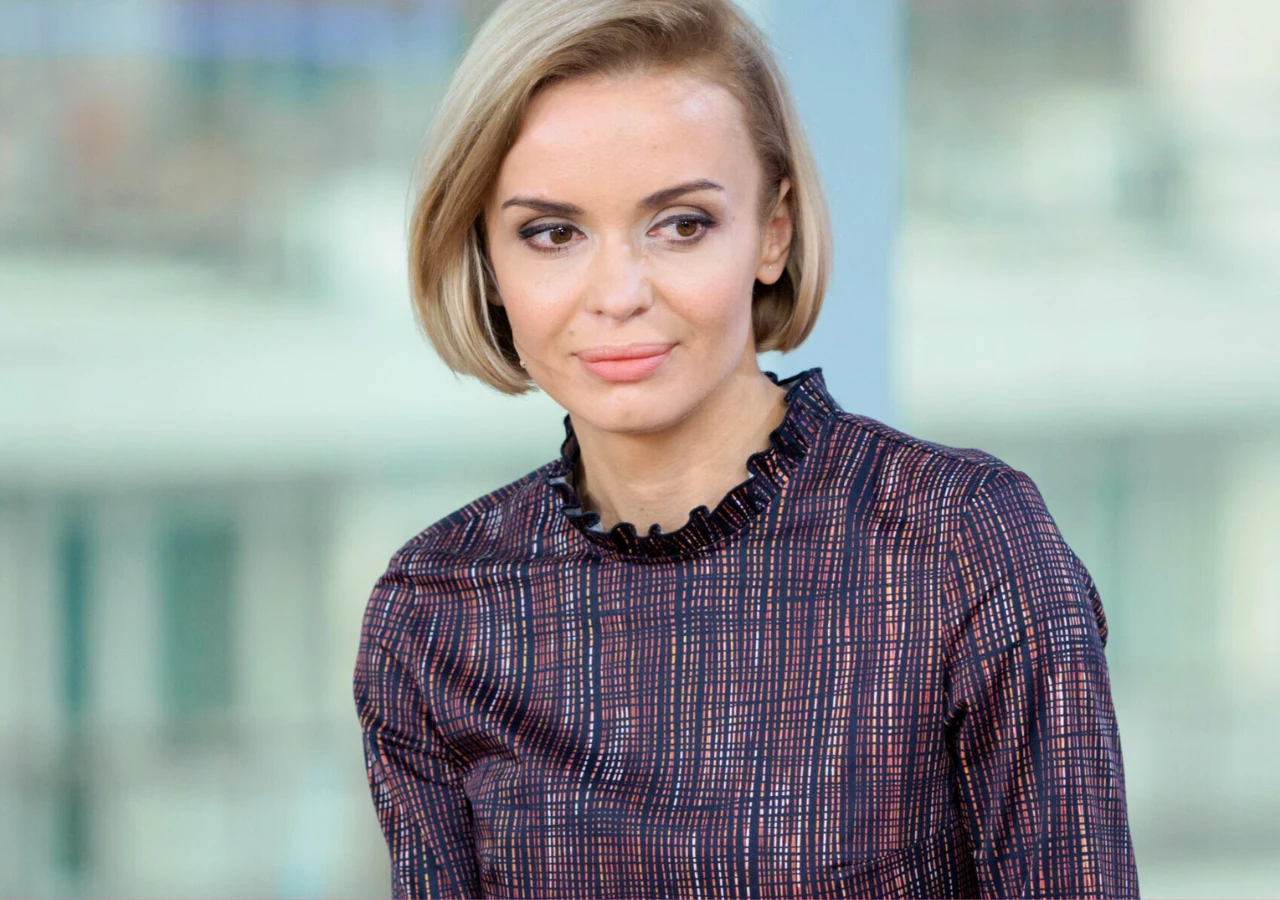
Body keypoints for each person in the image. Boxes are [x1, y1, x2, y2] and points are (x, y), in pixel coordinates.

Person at [351, 0, 1140, 897]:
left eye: (681, 224)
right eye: (553, 233)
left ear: (774, 230)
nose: (618, 294)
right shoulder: (435, 610)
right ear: (487, 258)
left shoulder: (961, 544)